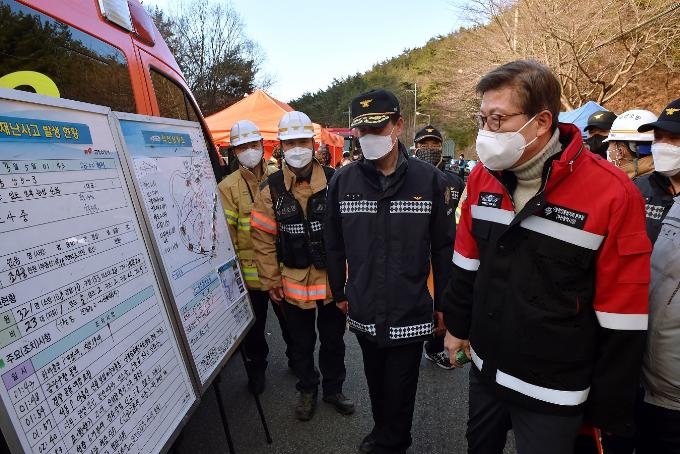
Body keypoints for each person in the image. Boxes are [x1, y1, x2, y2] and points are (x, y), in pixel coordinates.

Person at [440, 60, 650, 454]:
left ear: (541, 122)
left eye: (498, 119)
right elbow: (466, 262)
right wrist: (456, 326)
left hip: (554, 391)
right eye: (482, 118)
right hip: (487, 368)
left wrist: (609, 404)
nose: (486, 132)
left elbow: (623, 312)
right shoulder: (482, 176)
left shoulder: (612, 192)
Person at [324, 89, 455, 454]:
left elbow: (444, 248)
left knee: (400, 386)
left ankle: (395, 442)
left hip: (409, 306)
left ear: (397, 126)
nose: (368, 139)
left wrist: (445, 302)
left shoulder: (429, 181)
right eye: (361, 133)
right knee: (376, 381)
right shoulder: (343, 182)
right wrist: (339, 292)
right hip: (363, 304)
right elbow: (333, 242)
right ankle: (382, 432)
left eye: (377, 129)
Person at [250, 111, 354, 421]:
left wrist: (351, 278)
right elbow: (263, 239)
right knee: (300, 343)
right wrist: (271, 282)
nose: (298, 148)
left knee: (334, 341)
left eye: (303, 141)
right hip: (292, 283)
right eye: (291, 142)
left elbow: (351, 233)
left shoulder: (336, 181)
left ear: (314, 144)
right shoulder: (270, 189)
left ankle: (334, 389)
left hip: (332, 282)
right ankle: (307, 388)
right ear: (281, 146)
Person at [217, 119, 293, 394]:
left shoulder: (280, 175)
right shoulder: (228, 187)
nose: (249, 150)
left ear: (262, 145)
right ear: (234, 151)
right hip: (249, 276)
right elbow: (227, 236)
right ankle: (256, 370)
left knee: (290, 322)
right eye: (242, 146)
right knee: (254, 329)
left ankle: (298, 361)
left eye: (253, 144)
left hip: (281, 270)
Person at [634, 97, 680, 454]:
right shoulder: (638, 190)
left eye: (675, 139)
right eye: (660, 138)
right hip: (633, 354)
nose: (664, 146)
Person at [413, 124, 464, 370]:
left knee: (444, 300)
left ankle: (435, 347)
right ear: (416, 147)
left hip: (448, 252)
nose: (430, 148)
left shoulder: (455, 181)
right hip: (418, 252)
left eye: (434, 144)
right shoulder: (409, 178)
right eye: (424, 144)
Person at [605, 109, 657, 179]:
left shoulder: (629, 186)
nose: (608, 150)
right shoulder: (666, 176)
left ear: (620, 151)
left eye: (609, 144)